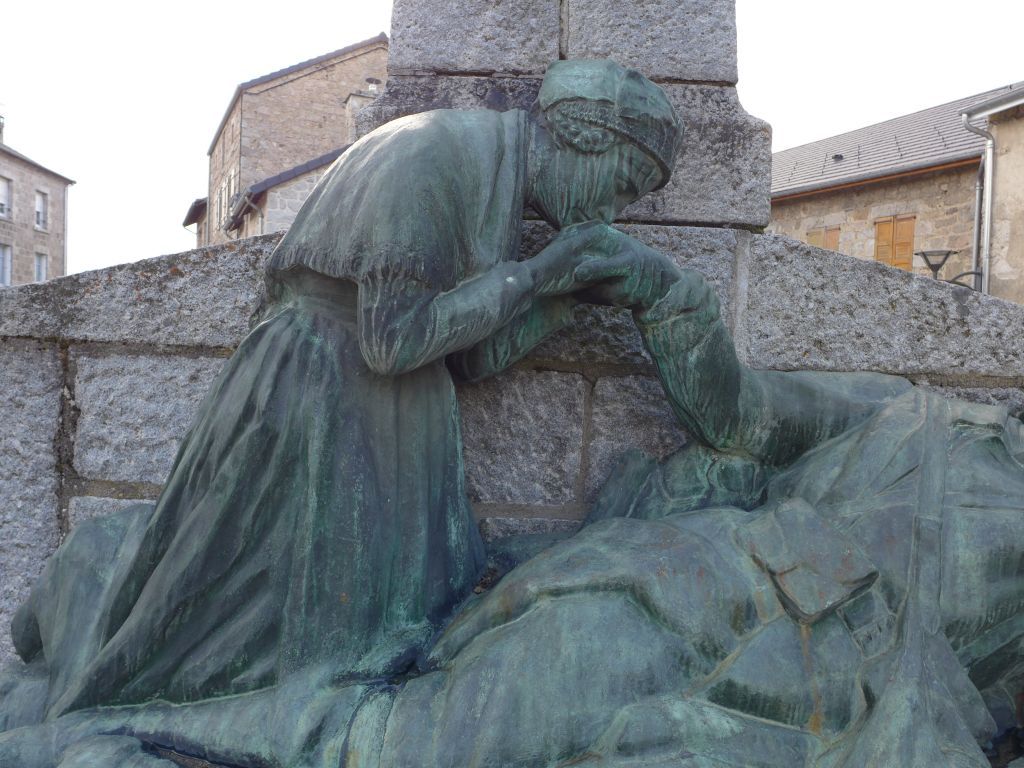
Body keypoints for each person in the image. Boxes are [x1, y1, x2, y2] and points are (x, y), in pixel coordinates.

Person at [0, 60, 683, 763]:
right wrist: (538, 275)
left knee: (381, 637)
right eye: (623, 185)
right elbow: (394, 340)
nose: (613, 212)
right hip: (318, 399)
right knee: (261, 640)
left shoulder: (492, 177)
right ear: (585, 138)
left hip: (383, 410)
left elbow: (468, 355)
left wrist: (561, 295)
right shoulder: (425, 157)